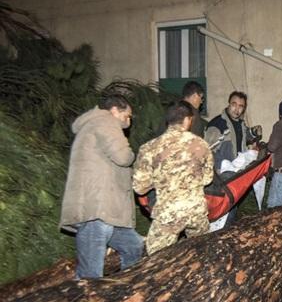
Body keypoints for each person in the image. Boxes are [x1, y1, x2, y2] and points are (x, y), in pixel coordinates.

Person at [60, 94, 143, 279]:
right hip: (97, 208)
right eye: (127, 116)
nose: (128, 122)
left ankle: (126, 286)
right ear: (114, 110)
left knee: (133, 246)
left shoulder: (94, 125)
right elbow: (123, 156)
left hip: (106, 210)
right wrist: (132, 154)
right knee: (91, 274)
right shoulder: (106, 122)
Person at [132, 101, 214, 254]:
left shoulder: (149, 148)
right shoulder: (201, 145)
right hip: (196, 211)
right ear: (188, 120)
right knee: (201, 255)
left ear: (168, 120)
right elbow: (208, 178)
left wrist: (160, 179)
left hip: (168, 214)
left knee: (156, 260)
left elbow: (139, 187)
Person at [205, 91, 262, 172]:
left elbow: (241, 137)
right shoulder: (217, 125)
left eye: (240, 106)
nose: (237, 109)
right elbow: (208, 150)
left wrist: (253, 132)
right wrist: (224, 165)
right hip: (223, 175)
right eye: (234, 105)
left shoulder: (240, 123)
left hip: (237, 172)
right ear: (229, 104)